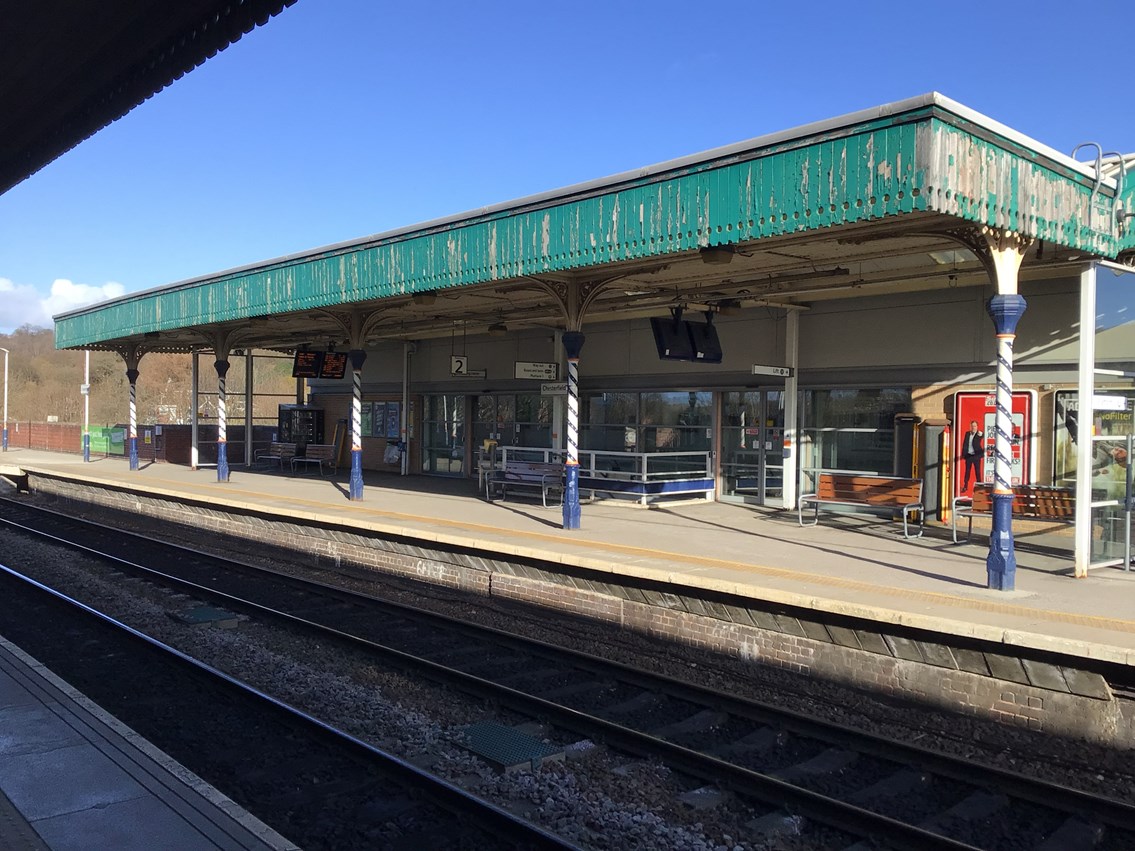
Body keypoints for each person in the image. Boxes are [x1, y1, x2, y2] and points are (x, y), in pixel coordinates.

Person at [961, 420, 984, 492]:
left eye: (975, 426)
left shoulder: (979, 434)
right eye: (972, 426)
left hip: (976, 455)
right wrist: (963, 454)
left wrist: (980, 434)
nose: (973, 427)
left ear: (977, 427)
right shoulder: (967, 433)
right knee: (967, 471)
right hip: (969, 455)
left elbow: (982, 436)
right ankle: (965, 486)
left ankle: (979, 486)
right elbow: (965, 444)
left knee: (977, 471)